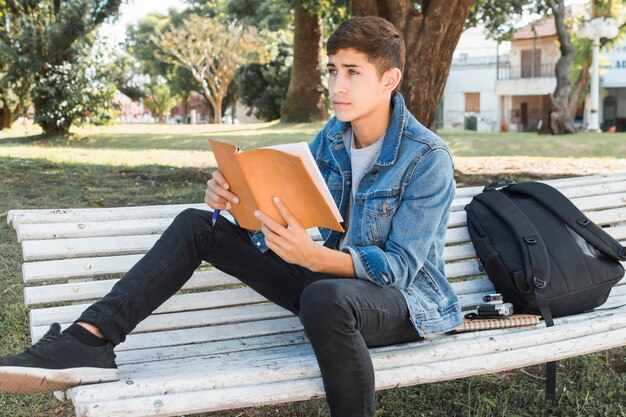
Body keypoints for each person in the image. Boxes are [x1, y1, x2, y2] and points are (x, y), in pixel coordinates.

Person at [0, 16, 462, 417]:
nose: (337, 86)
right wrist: (238, 198)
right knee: (197, 224)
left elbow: (399, 269)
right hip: (325, 284)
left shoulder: (426, 158)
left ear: (389, 80)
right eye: (332, 71)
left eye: (353, 73)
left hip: (400, 306)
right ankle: (90, 340)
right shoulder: (332, 139)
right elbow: (293, 214)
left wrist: (316, 259)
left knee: (325, 298)